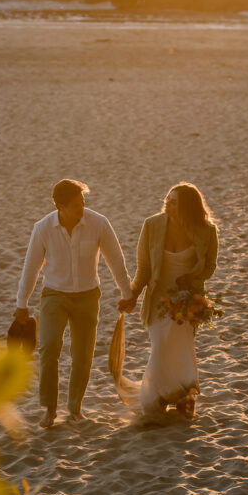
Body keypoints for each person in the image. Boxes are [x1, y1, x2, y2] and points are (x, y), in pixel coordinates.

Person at [14, 179, 133, 428]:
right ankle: (49, 409)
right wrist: (22, 302)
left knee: (83, 355)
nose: (82, 209)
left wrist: (126, 293)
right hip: (54, 295)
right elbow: (31, 267)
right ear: (61, 206)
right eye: (77, 205)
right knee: (49, 348)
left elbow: (116, 260)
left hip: (88, 296)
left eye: (83, 203)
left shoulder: (98, 223)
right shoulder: (43, 228)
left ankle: (75, 408)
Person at [119, 183, 218, 420]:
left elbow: (210, 267)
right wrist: (131, 295)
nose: (168, 205)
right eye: (167, 200)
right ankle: (155, 398)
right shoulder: (152, 225)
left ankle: (185, 397)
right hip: (157, 300)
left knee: (182, 350)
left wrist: (192, 278)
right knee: (161, 347)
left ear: (187, 207)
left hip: (187, 301)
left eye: (174, 202)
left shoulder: (206, 231)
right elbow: (143, 269)